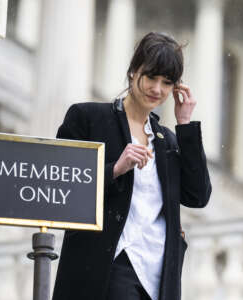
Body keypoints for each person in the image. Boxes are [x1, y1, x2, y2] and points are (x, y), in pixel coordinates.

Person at [52, 32, 212, 300]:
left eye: (167, 82)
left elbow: (198, 196)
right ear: (132, 72)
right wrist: (115, 169)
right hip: (107, 265)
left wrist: (185, 125)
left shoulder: (168, 142)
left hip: (157, 274)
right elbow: (62, 187)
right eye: (150, 77)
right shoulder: (88, 119)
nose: (157, 89)